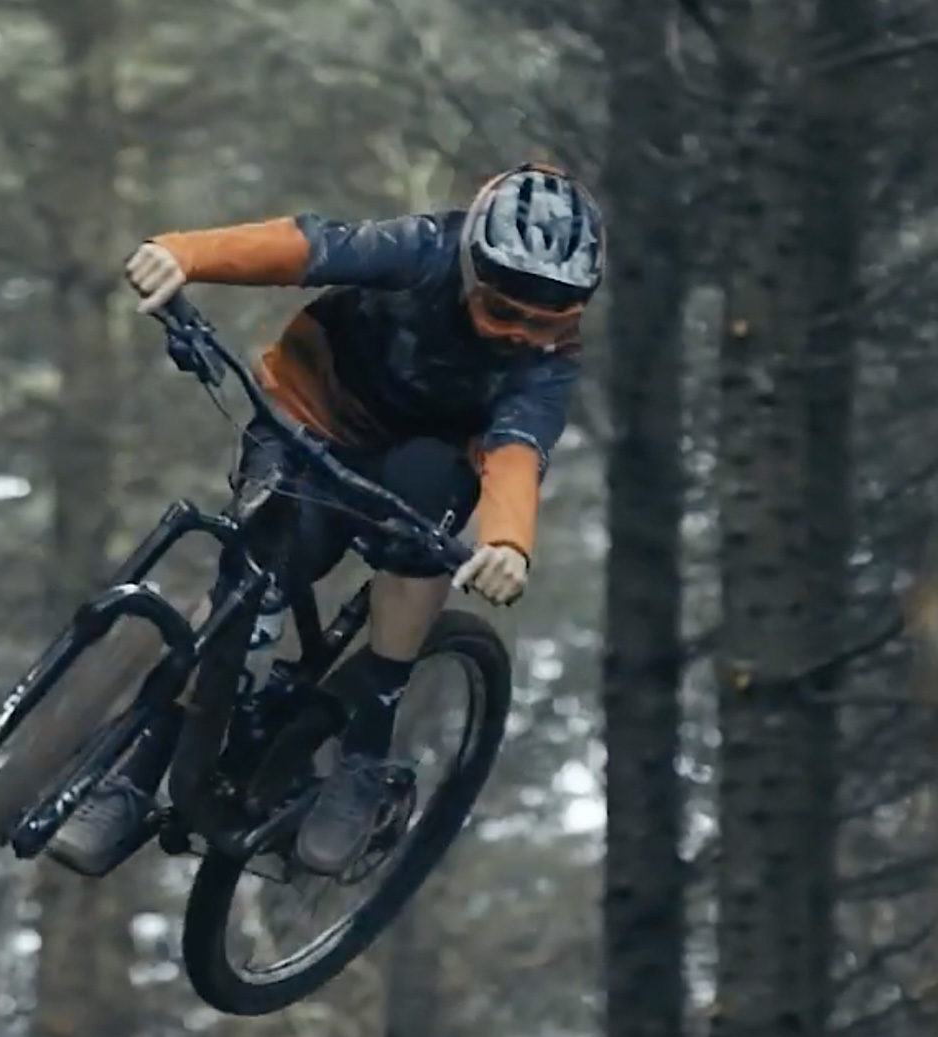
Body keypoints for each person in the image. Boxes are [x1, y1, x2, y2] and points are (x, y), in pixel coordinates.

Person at [47, 162, 605, 879]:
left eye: (549, 317)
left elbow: (518, 447)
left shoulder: (550, 364)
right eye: (506, 310)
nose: (524, 334)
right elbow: (308, 248)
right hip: (313, 418)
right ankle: (136, 773)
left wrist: (506, 543)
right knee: (255, 574)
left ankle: (365, 756)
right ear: (472, 264)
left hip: (427, 458)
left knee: (422, 512)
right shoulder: (422, 250)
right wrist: (181, 254)